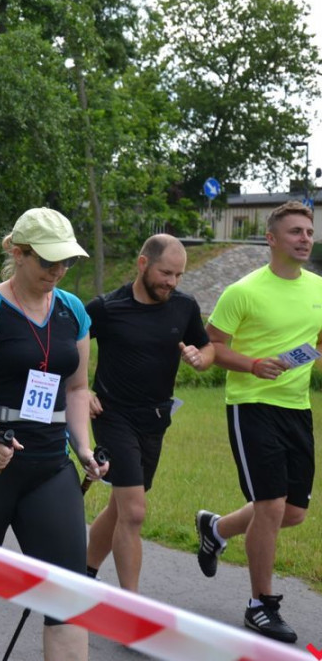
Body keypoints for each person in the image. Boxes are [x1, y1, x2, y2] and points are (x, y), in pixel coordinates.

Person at [0, 207, 106, 661]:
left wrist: (84, 448)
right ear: (18, 253)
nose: (58, 270)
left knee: (67, 598)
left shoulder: (72, 311)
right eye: (47, 261)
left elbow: (77, 386)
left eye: (65, 261)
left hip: (49, 467)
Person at [195, 201, 322, 644]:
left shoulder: (319, 289)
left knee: (294, 512)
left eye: (308, 231)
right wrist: (251, 365)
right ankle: (260, 605)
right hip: (251, 405)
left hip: (297, 408)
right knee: (270, 505)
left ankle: (215, 528)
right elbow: (213, 346)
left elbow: (320, 341)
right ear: (271, 239)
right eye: (295, 232)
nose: (305, 238)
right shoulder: (243, 291)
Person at [84, 234, 214, 592]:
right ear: (143, 264)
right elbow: (66, 348)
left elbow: (206, 346)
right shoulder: (107, 308)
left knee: (121, 507)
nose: (171, 282)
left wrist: (201, 359)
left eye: (178, 275)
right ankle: (132, 609)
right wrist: (82, 390)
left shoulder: (183, 307)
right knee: (135, 512)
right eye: (166, 272)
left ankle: (84, 572)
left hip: (155, 418)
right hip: (113, 416)